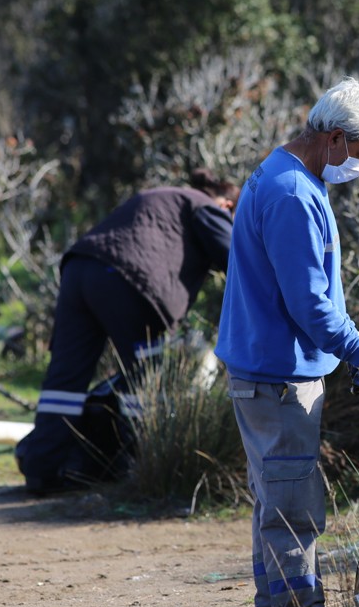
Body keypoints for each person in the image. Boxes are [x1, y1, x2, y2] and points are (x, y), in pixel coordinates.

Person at [214, 77, 359, 607]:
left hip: (267, 371)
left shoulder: (284, 173)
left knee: (276, 506)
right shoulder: (292, 194)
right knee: (293, 514)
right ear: (335, 138)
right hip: (278, 380)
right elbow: (310, 305)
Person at [16, 169, 239, 493]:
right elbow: (236, 260)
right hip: (128, 281)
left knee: (64, 379)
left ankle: (42, 473)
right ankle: (140, 472)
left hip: (80, 268)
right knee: (144, 379)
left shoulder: (166, 196)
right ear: (227, 205)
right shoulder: (206, 206)